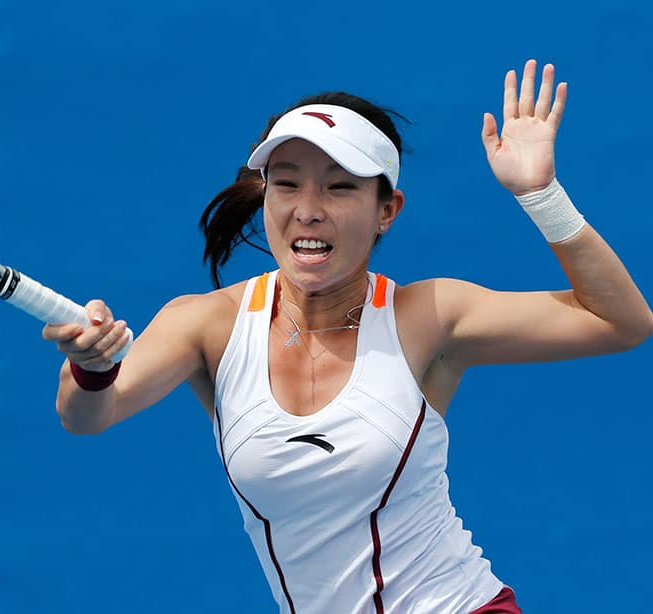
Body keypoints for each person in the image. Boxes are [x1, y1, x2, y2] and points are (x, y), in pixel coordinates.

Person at [42, 60, 653, 613]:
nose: (308, 208)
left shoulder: (430, 316)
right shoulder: (207, 323)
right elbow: (89, 416)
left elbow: (620, 322)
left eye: (339, 186)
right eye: (286, 183)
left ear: (387, 210)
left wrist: (540, 195)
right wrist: (92, 367)